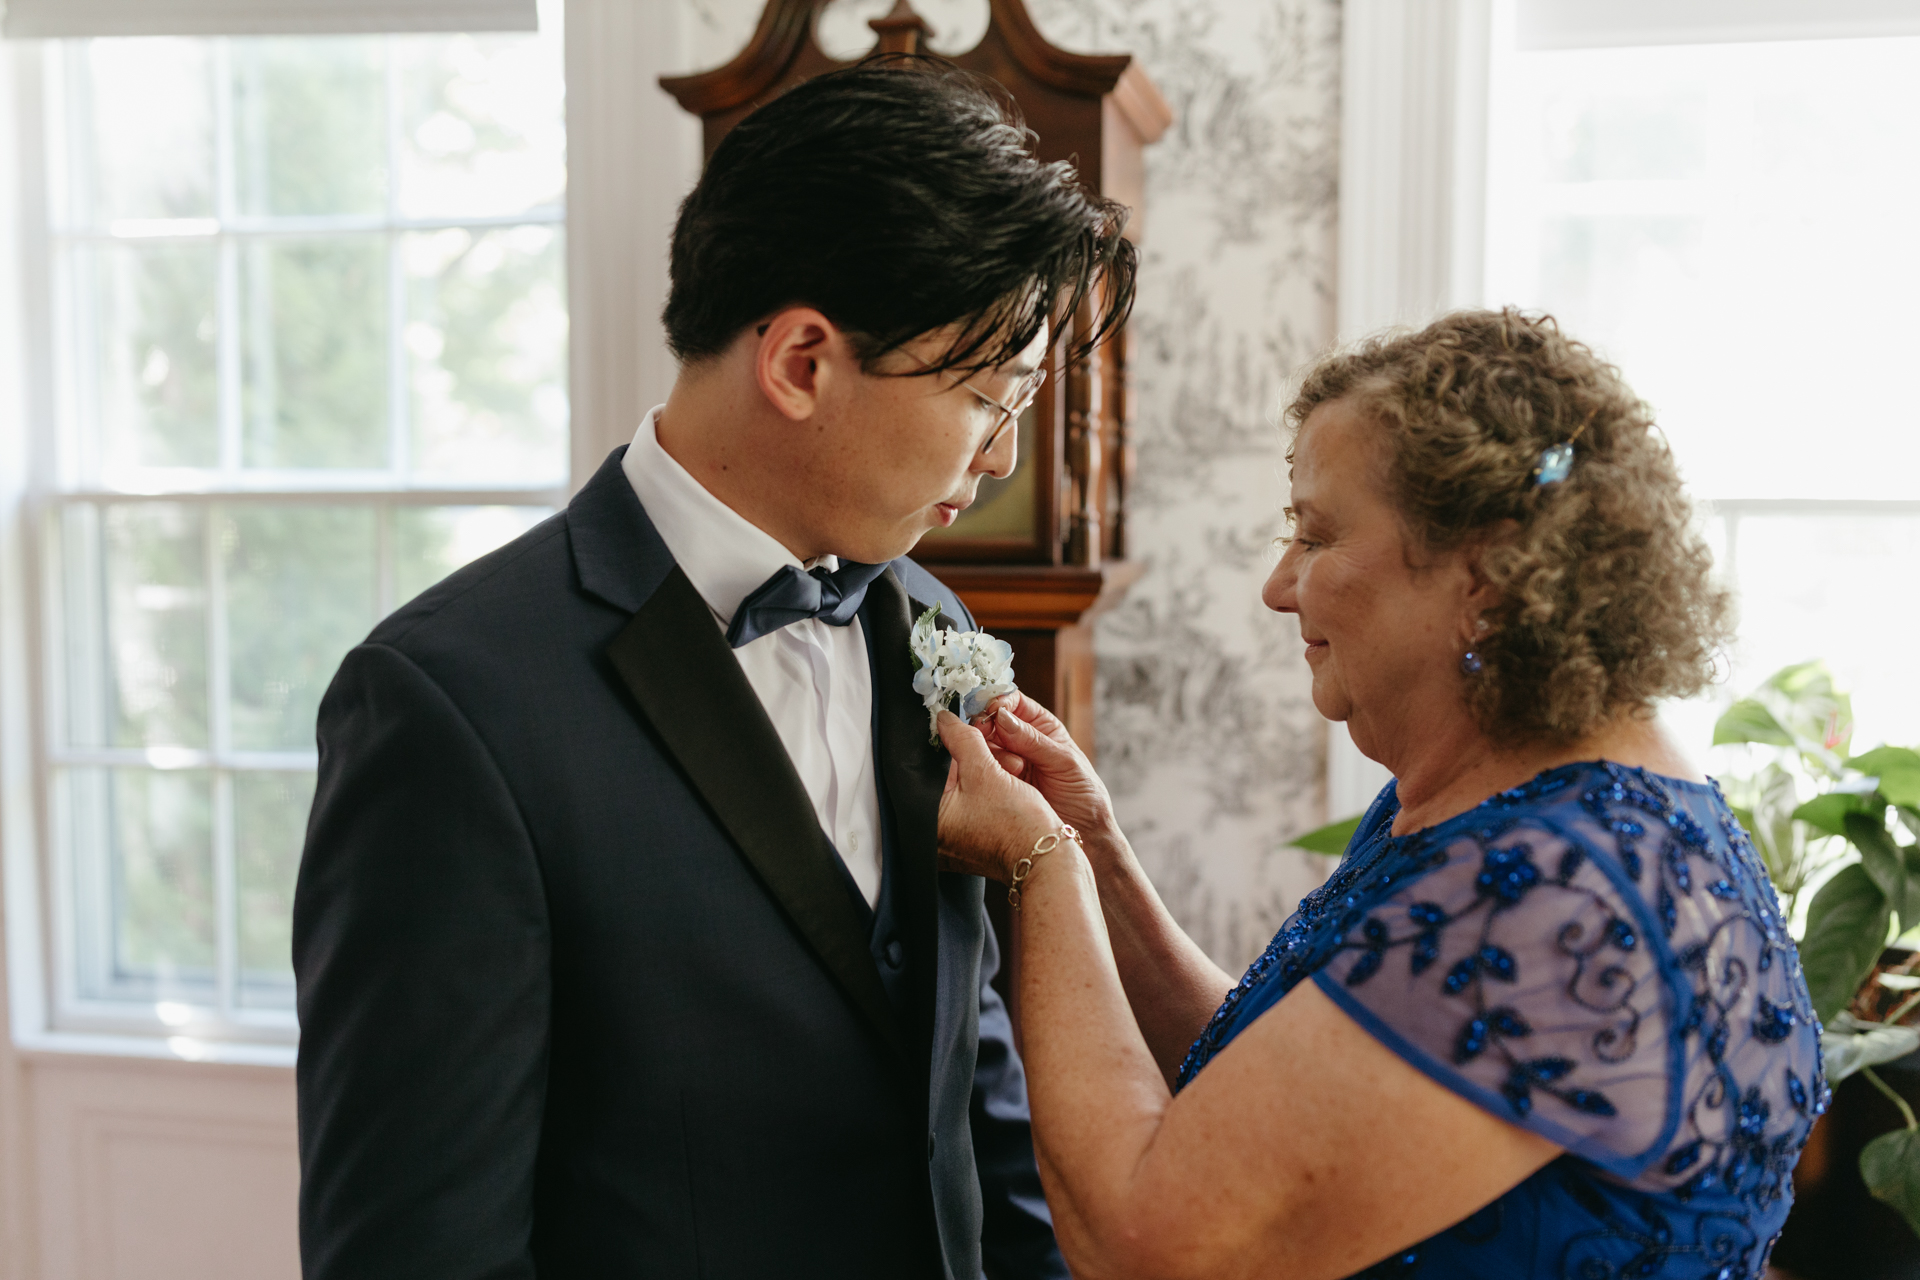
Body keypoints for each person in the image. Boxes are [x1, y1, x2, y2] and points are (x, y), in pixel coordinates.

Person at [293, 59, 1133, 1279]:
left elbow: (970, 1076)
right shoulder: (449, 705)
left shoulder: (929, 618)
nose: (1002, 457)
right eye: (987, 397)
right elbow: (416, 1248)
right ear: (800, 362)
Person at [935, 309, 1826, 1279]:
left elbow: (1144, 1245)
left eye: (1316, 535)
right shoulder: (1513, 811)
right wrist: (1094, 843)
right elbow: (1299, 1109)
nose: (1280, 586)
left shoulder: (1554, 896)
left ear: (1484, 575)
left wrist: (1042, 865)